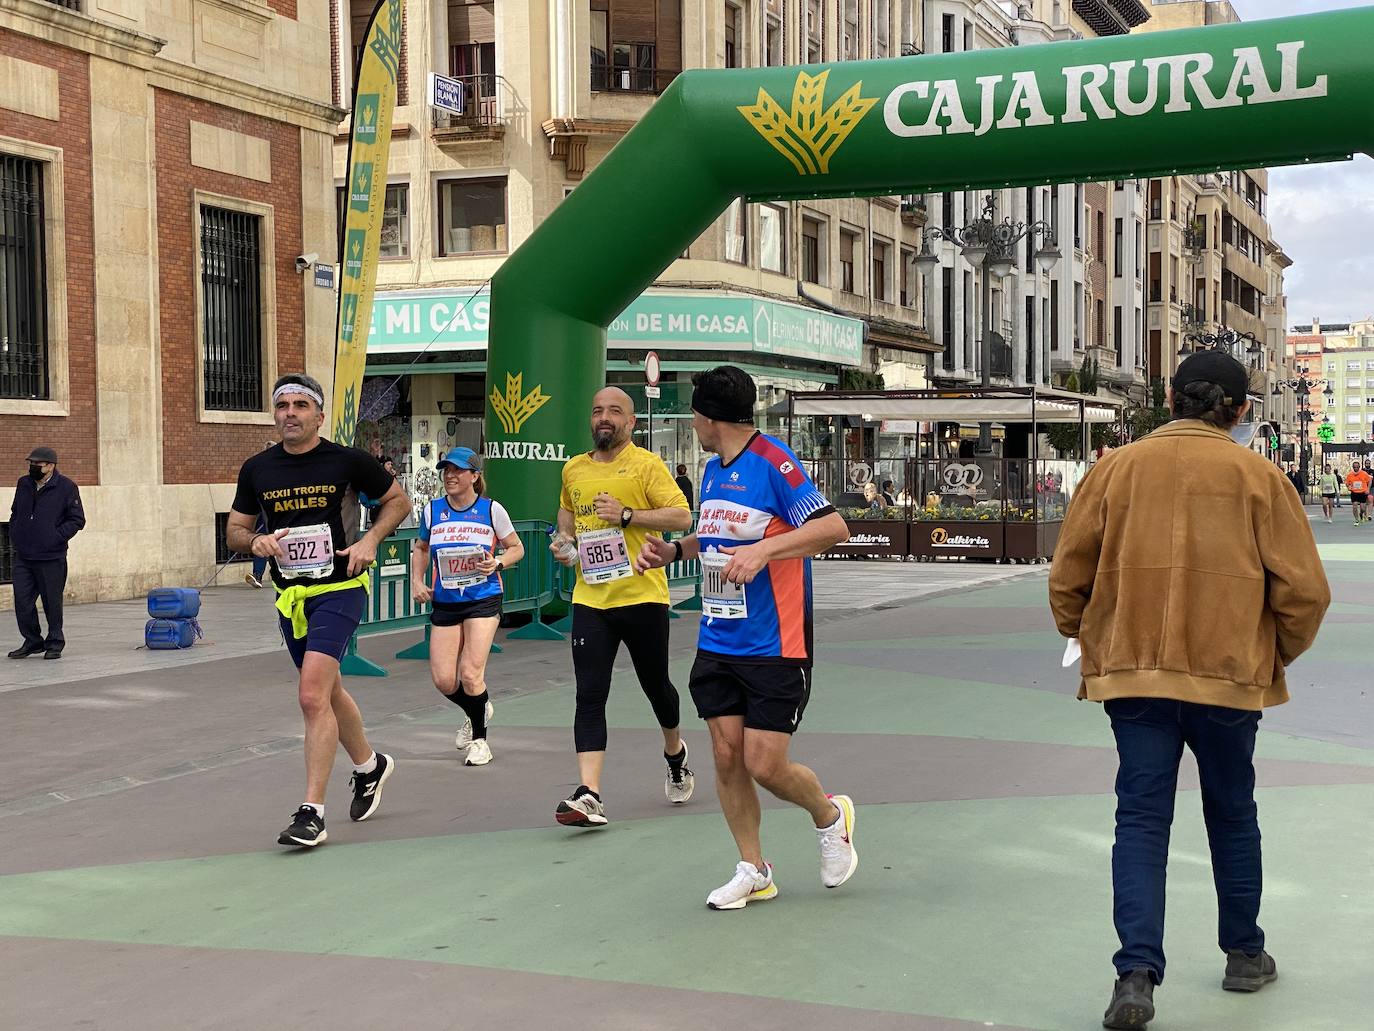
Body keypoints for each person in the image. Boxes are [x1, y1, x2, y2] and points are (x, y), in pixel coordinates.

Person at [1049, 350, 1330, 1030]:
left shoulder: (1115, 470)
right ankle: (1244, 951)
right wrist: (1267, 650)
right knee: (1232, 810)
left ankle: (1136, 973)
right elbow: (1306, 594)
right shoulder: (1260, 477)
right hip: (1231, 674)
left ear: (1168, 397)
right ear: (1238, 412)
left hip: (1134, 671)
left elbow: (1067, 578)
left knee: (1141, 817)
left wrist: (1091, 637)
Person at [636, 365, 856, 911]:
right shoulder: (713, 470)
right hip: (719, 639)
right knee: (726, 755)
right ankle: (753, 869)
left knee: (765, 763)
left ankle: (831, 817)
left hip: (775, 643)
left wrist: (764, 552)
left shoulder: (774, 462)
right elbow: (714, 538)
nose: (693, 423)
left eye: (693, 414)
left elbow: (832, 528)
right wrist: (674, 551)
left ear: (708, 417)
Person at [227, 373, 412, 848]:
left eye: (300, 406)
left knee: (310, 695)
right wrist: (255, 540)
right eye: (282, 405)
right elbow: (236, 529)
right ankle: (371, 766)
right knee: (327, 693)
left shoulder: (347, 460)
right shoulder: (257, 468)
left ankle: (312, 812)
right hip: (292, 597)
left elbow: (398, 500)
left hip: (341, 587)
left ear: (319, 415)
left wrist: (371, 539)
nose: (290, 413)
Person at [549, 386, 695, 827]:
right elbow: (567, 514)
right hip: (590, 598)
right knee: (590, 694)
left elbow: (682, 517)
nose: (604, 418)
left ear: (631, 423)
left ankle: (675, 752)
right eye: (597, 411)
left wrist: (628, 515)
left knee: (657, 687)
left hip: (642, 595)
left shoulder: (646, 465)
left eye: (615, 411)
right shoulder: (573, 468)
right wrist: (566, 542)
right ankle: (589, 793)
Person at [411, 446, 523, 767]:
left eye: (458, 470)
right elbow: (420, 548)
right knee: (444, 680)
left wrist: (498, 562)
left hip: (483, 598)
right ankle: (479, 707)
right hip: (446, 601)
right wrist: (418, 582)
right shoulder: (433, 511)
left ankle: (480, 742)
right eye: (446, 470)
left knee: (471, 673)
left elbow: (517, 547)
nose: (450, 476)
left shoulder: (491, 511)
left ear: (475, 476)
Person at [8, 447, 85, 660]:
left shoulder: (67, 487)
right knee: (22, 602)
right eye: (31, 464)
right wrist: (16, 532)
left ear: (50, 466)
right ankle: (32, 641)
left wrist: (55, 537)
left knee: (52, 602)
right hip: (24, 555)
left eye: (37, 464)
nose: (32, 467)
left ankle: (54, 643)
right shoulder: (24, 483)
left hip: (51, 557)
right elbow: (15, 511)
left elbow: (77, 520)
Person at [1345, 460, 1371, 526]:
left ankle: (1361, 514)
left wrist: (1368, 489)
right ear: (1353, 467)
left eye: (1357, 467)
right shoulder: (1350, 475)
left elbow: (1370, 480)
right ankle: (1357, 520)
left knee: (1362, 508)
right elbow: (1347, 483)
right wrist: (1348, 487)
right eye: (1354, 467)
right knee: (1354, 506)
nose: (1355, 468)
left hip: (1362, 492)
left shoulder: (1364, 473)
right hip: (1354, 493)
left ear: (1359, 467)